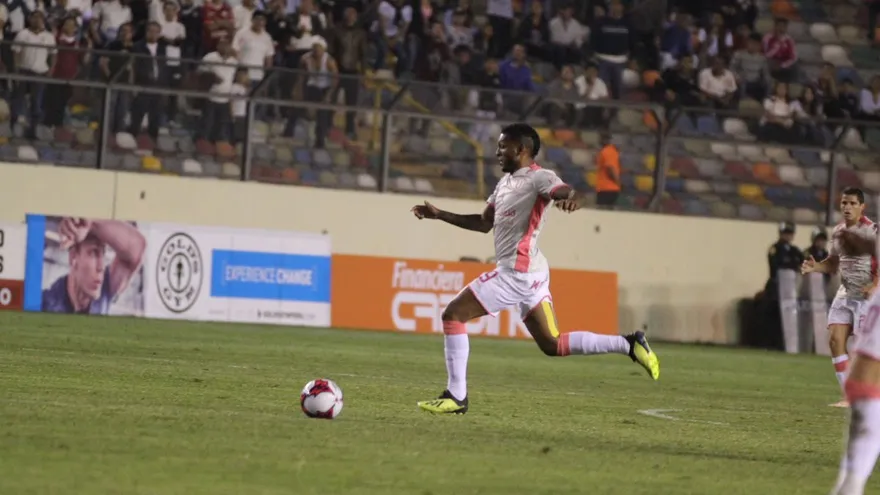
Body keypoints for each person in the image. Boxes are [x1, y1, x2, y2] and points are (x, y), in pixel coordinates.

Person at [409, 123, 660, 415]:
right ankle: (629, 344)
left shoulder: (539, 177)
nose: (497, 152)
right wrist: (440, 215)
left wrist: (569, 198)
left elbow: (564, 190)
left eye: (502, 146)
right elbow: (483, 223)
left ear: (521, 149)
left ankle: (456, 396)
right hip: (533, 272)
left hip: (517, 273)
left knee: (453, 315)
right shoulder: (504, 184)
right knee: (552, 344)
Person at [802, 188, 878, 408]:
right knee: (835, 341)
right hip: (845, 293)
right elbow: (834, 263)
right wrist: (816, 267)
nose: (847, 207)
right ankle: (850, 396)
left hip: (867, 298)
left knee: (864, 351)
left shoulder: (873, 231)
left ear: (862, 207)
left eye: (852, 203)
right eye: (844, 203)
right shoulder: (838, 232)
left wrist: (875, 285)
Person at [826, 226, 880, 495]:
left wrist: (867, 246)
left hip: (863, 382)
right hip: (872, 388)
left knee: (851, 477)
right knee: (852, 481)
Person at [42, 217, 147, 314]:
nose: (101, 267)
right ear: (73, 257)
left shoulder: (104, 289)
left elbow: (137, 246)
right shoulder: (45, 304)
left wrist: (91, 224)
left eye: (103, 254)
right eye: (93, 253)